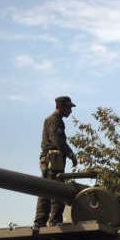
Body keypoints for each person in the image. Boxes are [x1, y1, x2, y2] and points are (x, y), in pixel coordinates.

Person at [33, 96, 77, 228]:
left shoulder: (53, 120)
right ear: (61, 106)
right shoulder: (54, 120)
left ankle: (41, 221)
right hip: (53, 160)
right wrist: (71, 154)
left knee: (46, 189)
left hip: (51, 159)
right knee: (57, 190)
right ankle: (54, 221)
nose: (70, 111)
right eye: (68, 108)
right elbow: (58, 141)